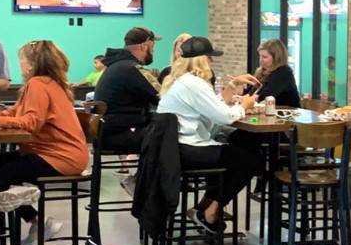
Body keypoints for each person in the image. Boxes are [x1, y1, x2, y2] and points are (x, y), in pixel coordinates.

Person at [0, 41, 89, 245]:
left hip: (58, 157)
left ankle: (34, 213)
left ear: (30, 64)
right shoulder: (51, 83)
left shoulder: (37, 84)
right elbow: (16, 112)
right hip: (64, 154)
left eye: (21, 60)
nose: (19, 65)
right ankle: (27, 205)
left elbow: (31, 123)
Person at [158, 36, 260, 230]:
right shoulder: (195, 84)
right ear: (202, 59)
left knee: (234, 152)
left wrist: (231, 87)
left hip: (176, 148)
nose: (212, 62)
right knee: (250, 161)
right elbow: (225, 117)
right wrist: (244, 106)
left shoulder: (183, 81)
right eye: (210, 58)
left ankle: (204, 207)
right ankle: (210, 211)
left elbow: (211, 109)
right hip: (188, 149)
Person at [94, 27, 161, 154]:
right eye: (153, 47)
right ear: (145, 46)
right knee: (168, 132)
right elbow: (161, 98)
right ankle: (154, 174)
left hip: (106, 133)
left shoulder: (116, 66)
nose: (153, 50)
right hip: (122, 135)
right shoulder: (133, 69)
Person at [241, 39, 300, 108]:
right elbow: (250, 93)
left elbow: (265, 96)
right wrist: (238, 89)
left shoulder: (284, 73)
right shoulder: (261, 71)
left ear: (276, 58)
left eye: (264, 57)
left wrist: (247, 99)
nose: (261, 60)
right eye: (260, 56)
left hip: (286, 115)